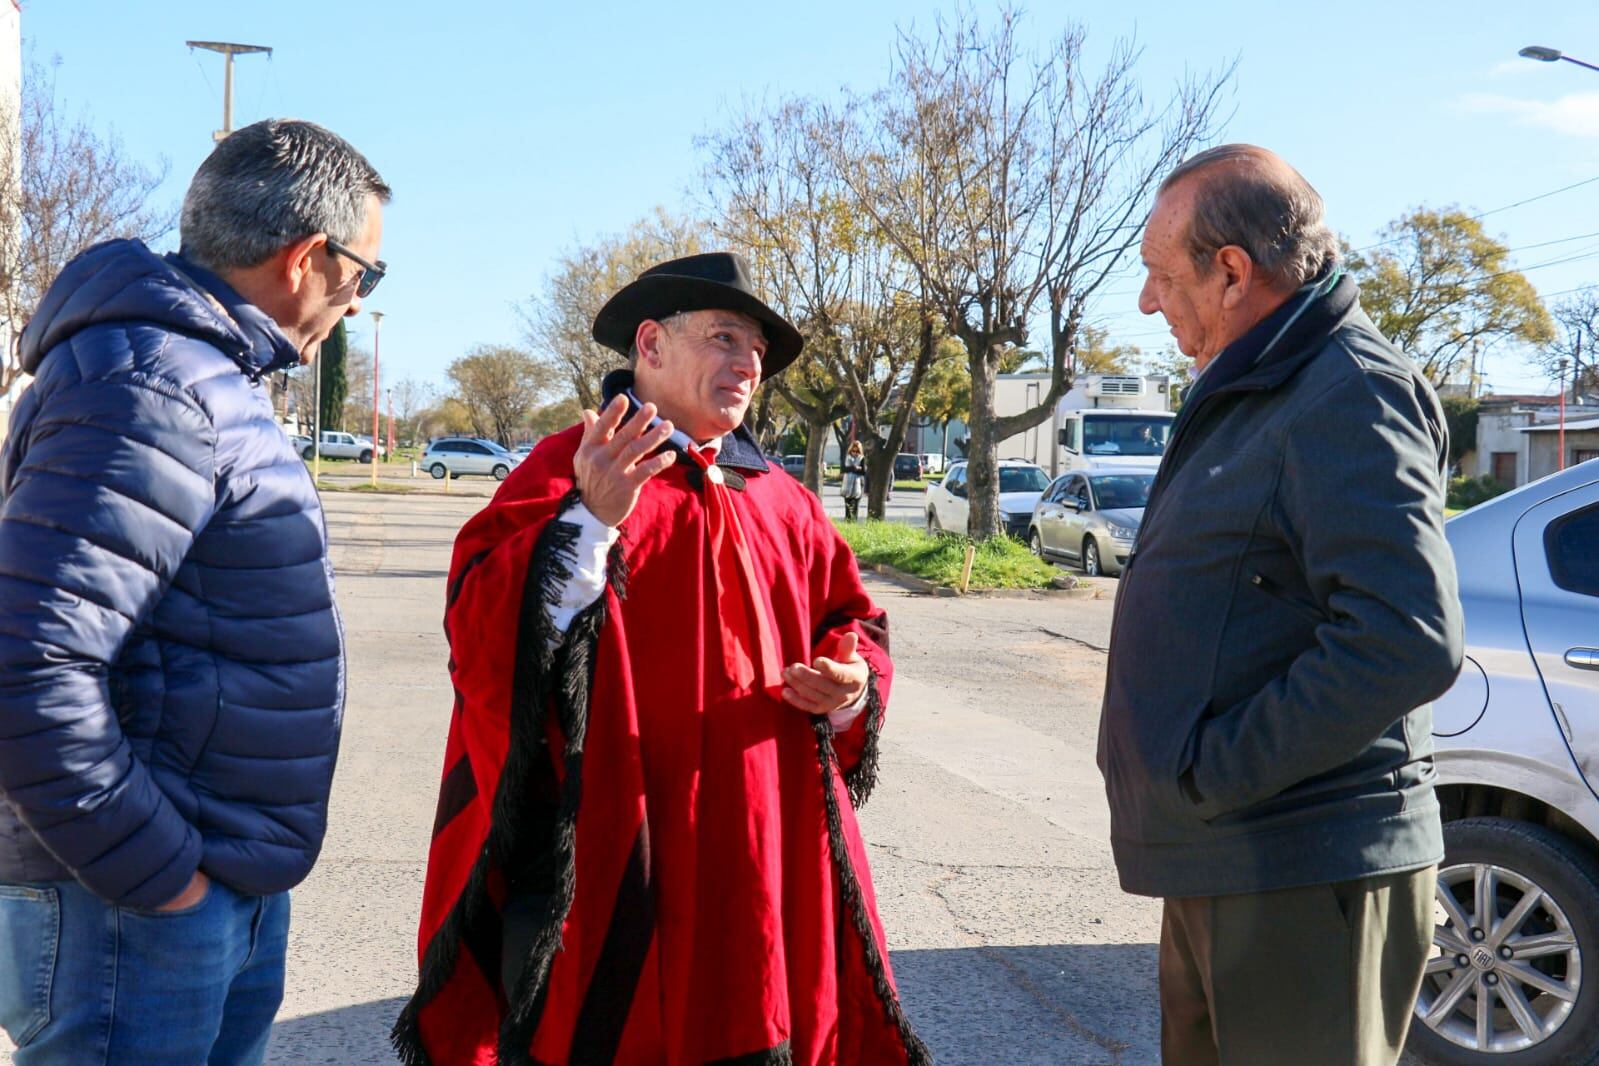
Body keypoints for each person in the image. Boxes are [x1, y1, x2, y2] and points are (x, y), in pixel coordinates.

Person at [396, 252, 928, 1065]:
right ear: (649, 344)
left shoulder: (780, 499)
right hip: (618, 847)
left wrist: (849, 687)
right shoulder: (570, 467)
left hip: (764, 846)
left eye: (756, 349)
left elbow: (853, 621)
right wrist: (588, 520)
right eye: (723, 337)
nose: (747, 363)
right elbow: (479, 630)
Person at [0, 120, 388, 1064]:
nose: (357, 300)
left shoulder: (203, 374)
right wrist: (163, 878)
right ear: (306, 259)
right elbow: (28, 661)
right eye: (365, 276)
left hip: (197, 884)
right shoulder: (154, 384)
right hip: (133, 909)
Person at [1097, 144, 1462, 1066]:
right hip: (1233, 856)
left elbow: (1403, 639)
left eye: (1157, 272)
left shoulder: (1349, 390)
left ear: (1230, 272)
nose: (1147, 301)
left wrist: (1214, 772)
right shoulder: (1268, 382)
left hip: (1303, 864)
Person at [842, 439, 867, 520]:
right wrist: (854, 467)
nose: (855, 453)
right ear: (851, 450)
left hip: (858, 485)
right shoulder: (847, 458)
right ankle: (847, 521)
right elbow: (844, 469)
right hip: (847, 485)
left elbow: (863, 471)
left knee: (855, 507)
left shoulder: (862, 458)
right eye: (853, 451)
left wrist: (856, 469)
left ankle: (853, 521)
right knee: (847, 506)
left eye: (857, 451)